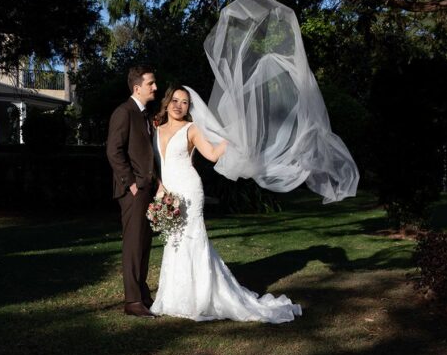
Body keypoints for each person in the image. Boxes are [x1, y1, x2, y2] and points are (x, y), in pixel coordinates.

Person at [149, 85, 302, 323]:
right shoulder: (156, 128)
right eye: (175, 100)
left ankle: (200, 298)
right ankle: (173, 297)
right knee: (175, 240)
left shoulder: (192, 128)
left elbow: (210, 154)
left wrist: (232, 139)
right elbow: (156, 163)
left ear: (189, 107)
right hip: (167, 191)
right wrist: (159, 186)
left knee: (192, 239)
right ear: (167, 102)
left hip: (189, 191)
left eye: (185, 102)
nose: (179, 105)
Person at [106, 64, 159, 317]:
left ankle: (142, 294)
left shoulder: (146, 114)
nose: (155, 87)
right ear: (137, 88)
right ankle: (132, 301)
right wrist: (132, 184)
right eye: (151, 84)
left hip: (147, 188)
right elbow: (113, 151)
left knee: (144, 243)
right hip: (133, 192)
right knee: (133, 244)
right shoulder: (124, 112)